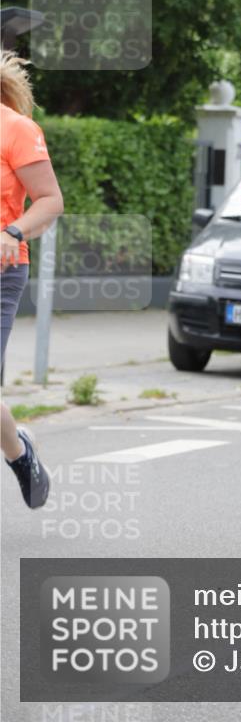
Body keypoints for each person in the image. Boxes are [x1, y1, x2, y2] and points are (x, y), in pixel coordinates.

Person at [1, 51, 64, 507]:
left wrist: (14, 230)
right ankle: (18, 448)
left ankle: (19, 452)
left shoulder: (17, 129)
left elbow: (49, 200)